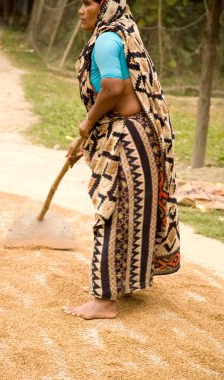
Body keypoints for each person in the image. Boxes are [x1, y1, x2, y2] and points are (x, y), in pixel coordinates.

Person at [63, 0, 180, 320]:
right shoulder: (120, 34)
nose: (80, 10)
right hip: (141, 134)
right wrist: (83, 136)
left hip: (127, 136)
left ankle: (104, 300)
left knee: (110, 210)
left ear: (104, 8)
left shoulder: (105, 40)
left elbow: (115, 87)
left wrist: (88, 122)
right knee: (131, 213)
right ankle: (123, 284)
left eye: (87, 3)